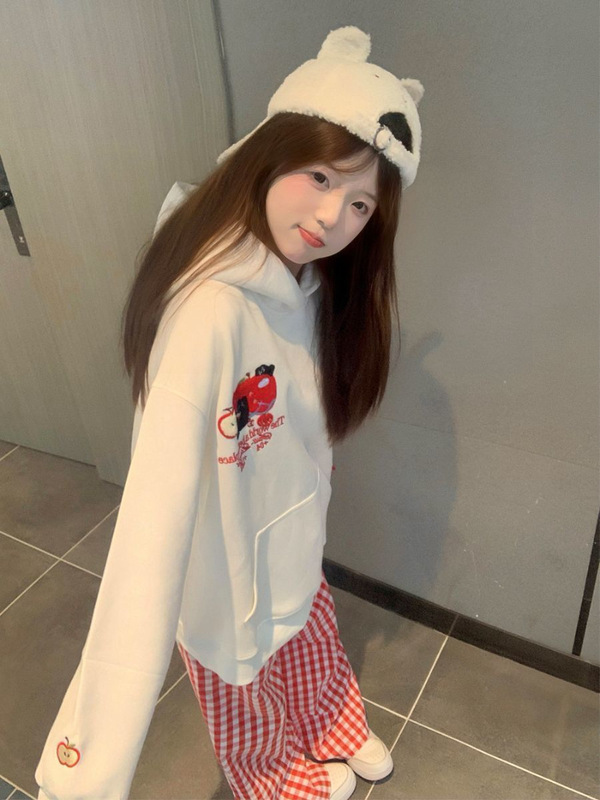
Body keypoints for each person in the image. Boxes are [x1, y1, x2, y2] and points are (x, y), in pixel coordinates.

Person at [34, 24, 423, 800]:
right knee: (243, 672)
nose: (332, 217)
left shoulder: (305, 276)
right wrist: (92, 765)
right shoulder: (208, 311)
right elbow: (150, 524)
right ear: (269, 152)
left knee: (307, 631)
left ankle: (330, 720)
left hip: (290, 533)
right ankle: (271, 775)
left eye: (359, 203)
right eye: (319, 175)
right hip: (227, 558)